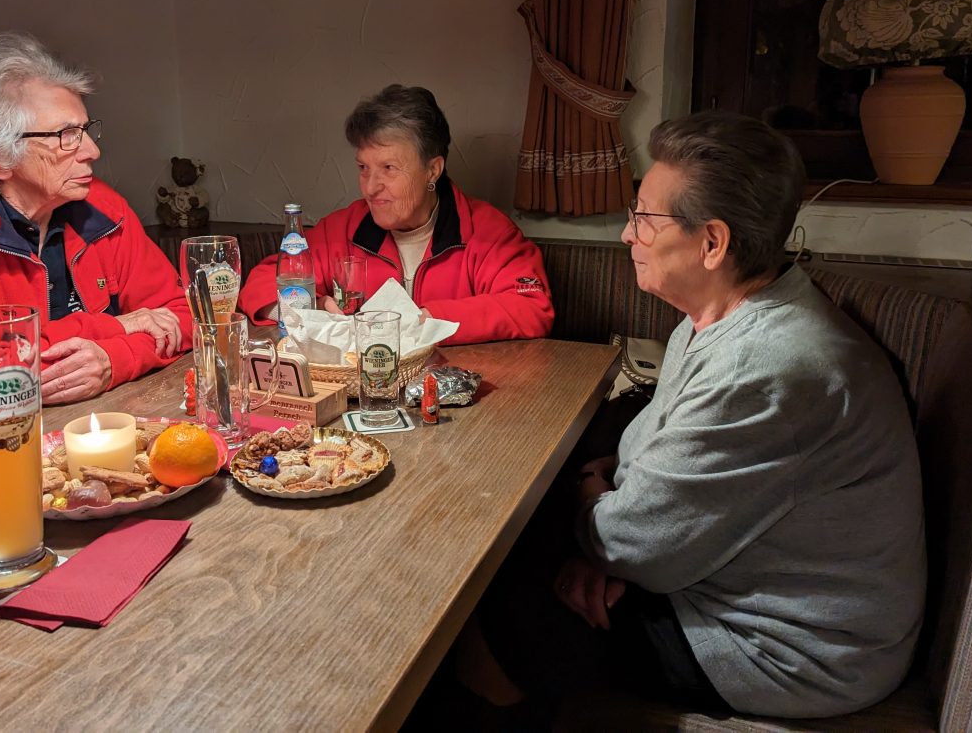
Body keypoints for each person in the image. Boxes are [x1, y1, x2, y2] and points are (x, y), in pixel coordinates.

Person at [448, 112, 926, 723]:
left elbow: (635, 545)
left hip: (785, 648)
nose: (627, 234)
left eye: (644, 218)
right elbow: (643, 474)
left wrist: (600, 513)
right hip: (712, 576)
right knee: (526, 538)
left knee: (497, 608)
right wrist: (615, 530)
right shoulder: (723, 314)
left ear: (712, 243)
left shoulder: (766, 367)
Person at [0, 33, 191, 428]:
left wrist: (116, 359)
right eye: (66, 136)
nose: (92, 151)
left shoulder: (102, 206)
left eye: (85, 130)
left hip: (99, 424)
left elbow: (184, 316)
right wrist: (118, 326)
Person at [238, 85, 554, 344]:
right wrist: (312, 308)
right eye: (363, 168)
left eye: (389, 168)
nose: (370, 187)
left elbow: (532, 307)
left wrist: (424, 321)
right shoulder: (343, 228)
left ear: (433, 169)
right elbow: (261, 285)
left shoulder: (487, 232)